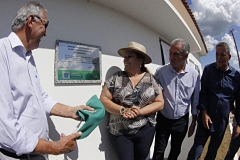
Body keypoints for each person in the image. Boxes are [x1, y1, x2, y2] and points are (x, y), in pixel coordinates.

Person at [0, 2, 93, 159]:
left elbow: (40, 98)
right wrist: (55, 147)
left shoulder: (27, 56)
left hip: (38, 153)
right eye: (45, 24)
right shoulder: (2, 52)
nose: (46, 33)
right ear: (31, 21)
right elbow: (4, 125)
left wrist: (72, 111)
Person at [100, 41, 164, 160]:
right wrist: (123, 110)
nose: (125, 60)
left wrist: (140, 112)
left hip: (145, 130)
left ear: (140, 61)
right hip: (120, 132)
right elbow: (104, 99)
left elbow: (160, 103)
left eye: (129, 57)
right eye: (125, 57)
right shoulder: (116, 77)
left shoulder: (150, 79)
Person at [187, 42, 240, 160]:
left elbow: (239, 101)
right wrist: (204, 113)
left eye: (222, 55)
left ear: (229, 57)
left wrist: (238, 124)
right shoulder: (208, 70)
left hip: (221, 121)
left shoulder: (236, 76)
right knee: (196, 150)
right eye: (217, 54)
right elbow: (203, 92)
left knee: (212, 151)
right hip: (205, 118)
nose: (219, 58)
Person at [152, 38, 200, 160]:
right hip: (163, 119)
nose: (171, 57)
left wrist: (193, 122)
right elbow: (152, 93)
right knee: (159, 151)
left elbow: (195, 100)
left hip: (181, 121)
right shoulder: (161, 72)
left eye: (176, 54)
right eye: (170, 52)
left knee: (175, 150)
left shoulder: (194, 74)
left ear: (185, 56)